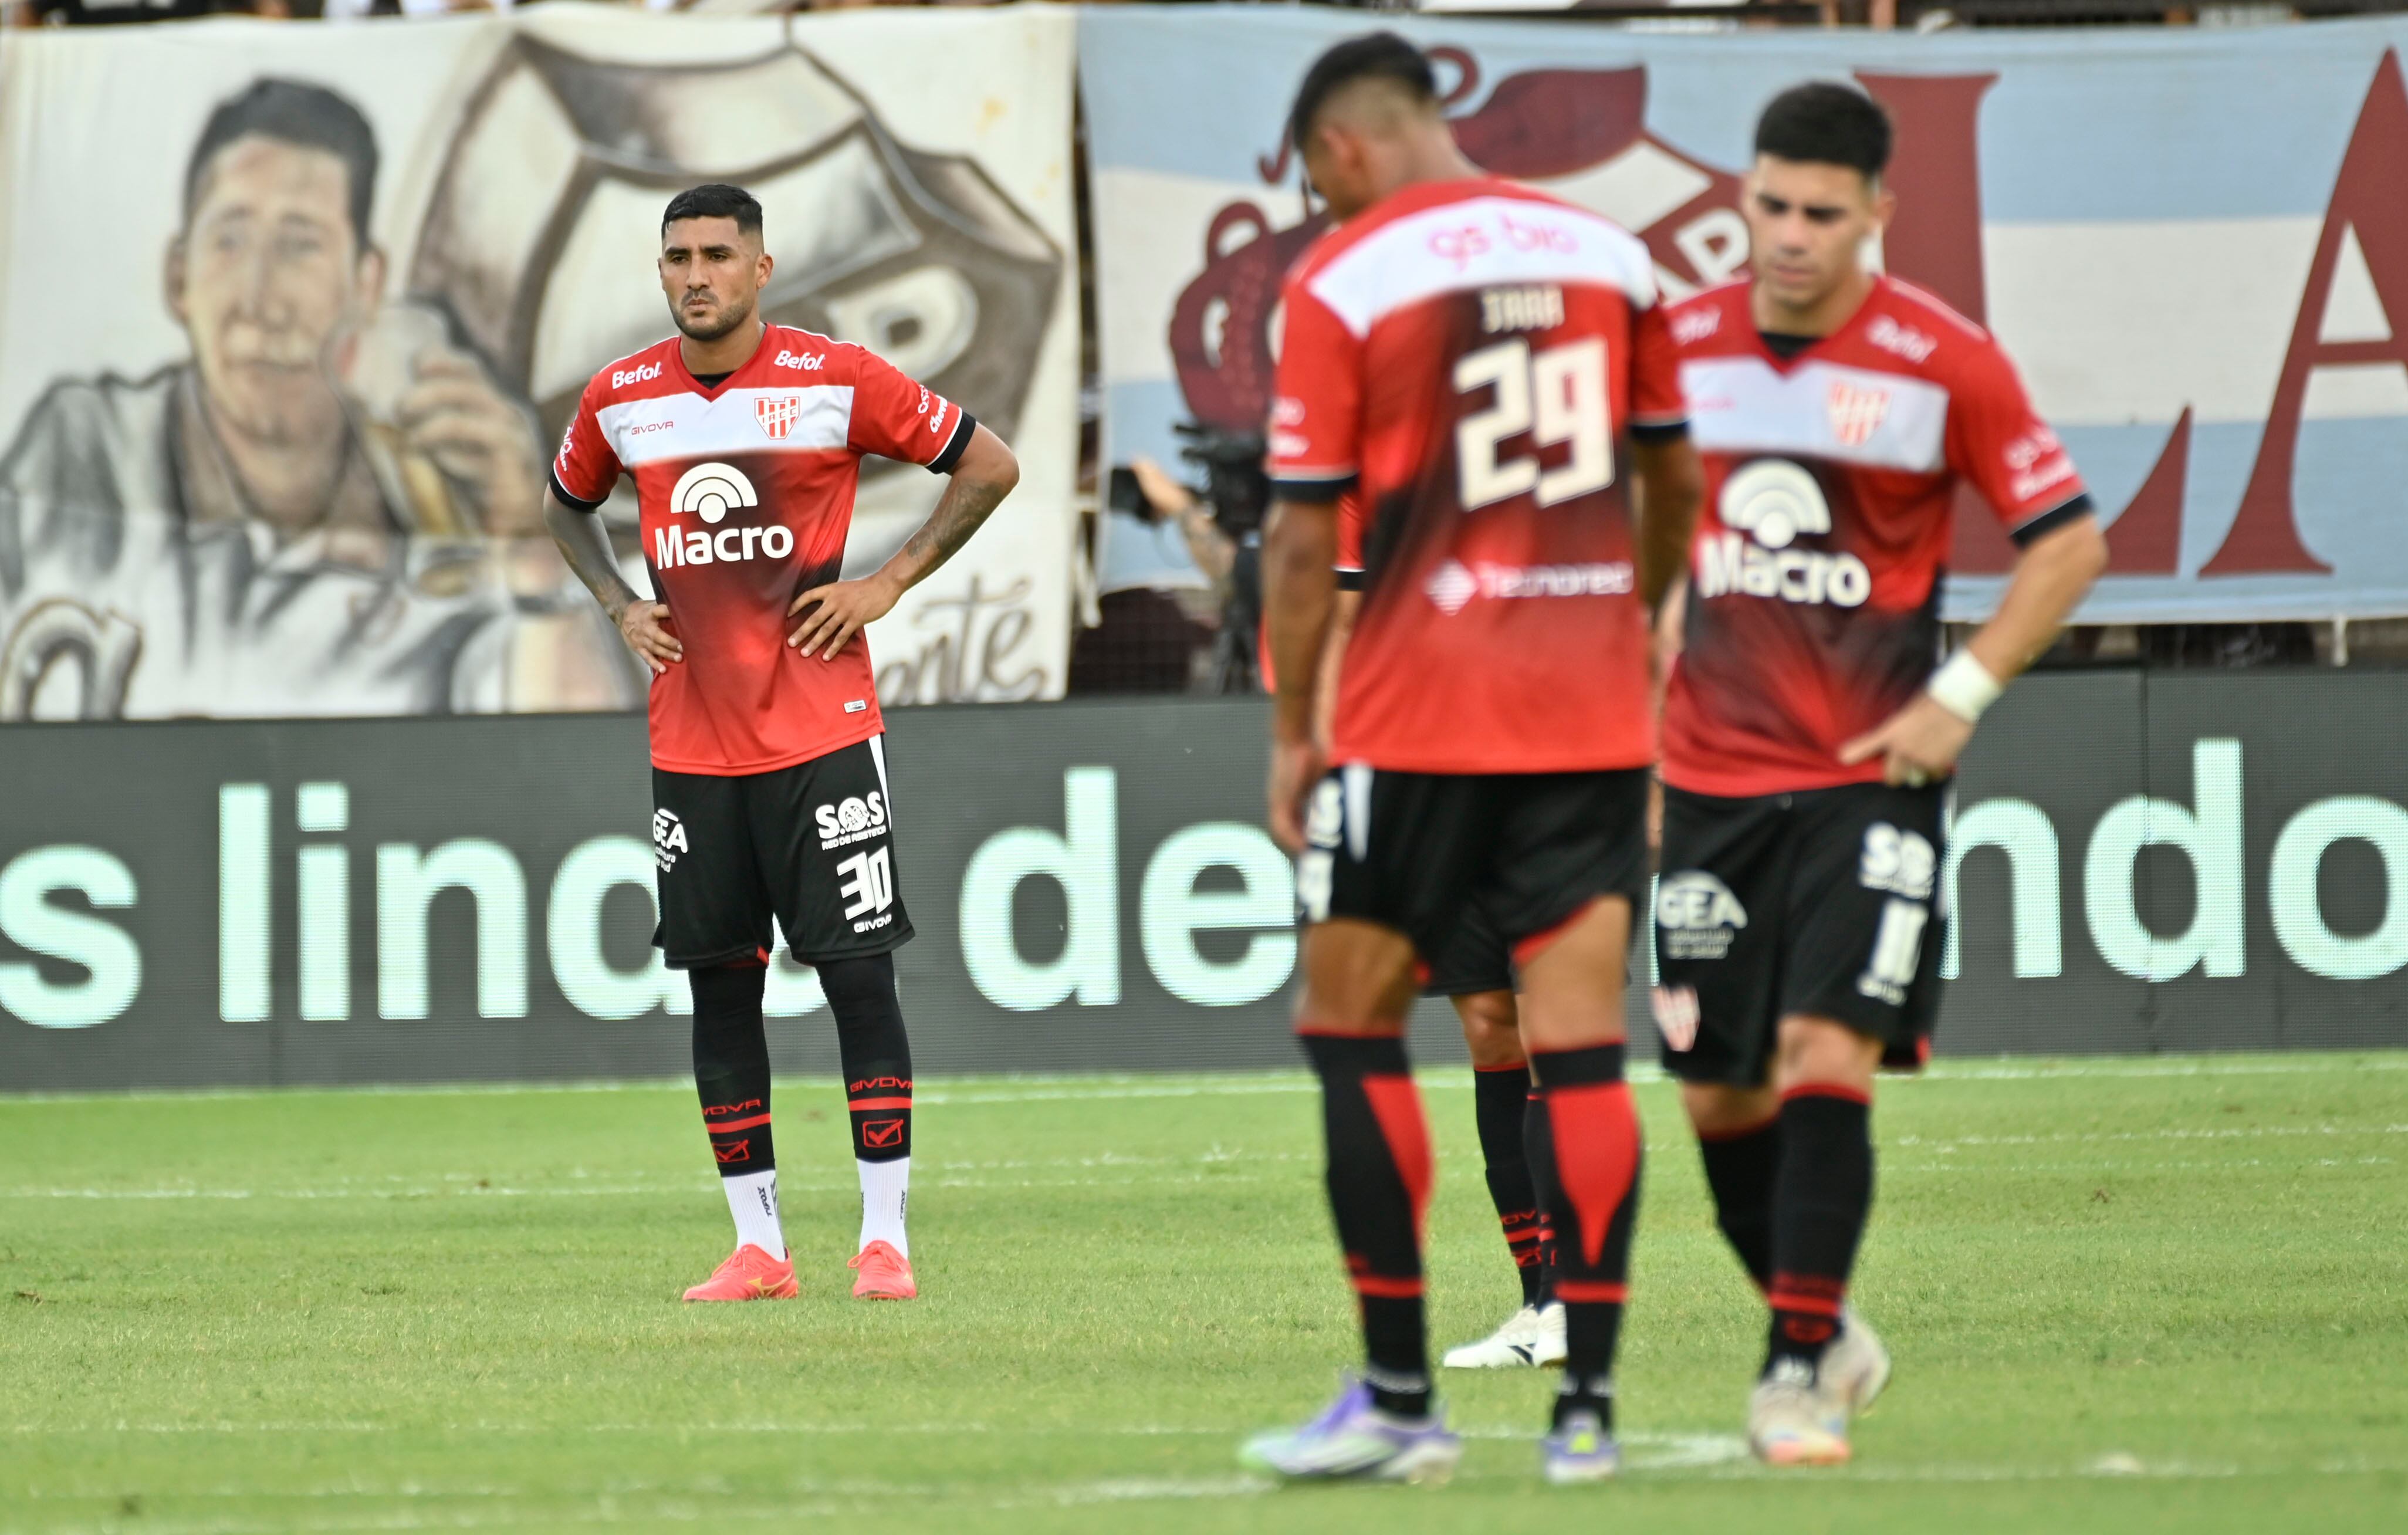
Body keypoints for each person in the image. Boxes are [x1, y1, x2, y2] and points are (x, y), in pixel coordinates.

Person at [1243, 34, 1701, 1485]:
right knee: (1578, 1049)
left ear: (1341, 148)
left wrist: (1293, 723)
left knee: (1349, 1019)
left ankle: (1393, 1392)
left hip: (1418, 709)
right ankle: (1589, 1414)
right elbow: (1674, 471)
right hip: (1585, 712)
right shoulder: (1610, 256)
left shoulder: (1346, 276)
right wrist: (1630, 626)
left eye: (1314, 180)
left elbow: (1308, 530)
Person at [1652, 83, 2109, 1466]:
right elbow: (1636, 524)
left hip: (1867, 776)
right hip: (1705, 777)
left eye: (1820, 214)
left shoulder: (1943, 359)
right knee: (1714, 1092)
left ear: (1875, 216)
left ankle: (1791, 1371)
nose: (1787, 237)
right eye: (1769, 205)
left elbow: (2069, 541)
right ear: (1745, 195)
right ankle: (1827, 1320)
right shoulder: (1671, 345)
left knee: (1821, 1049)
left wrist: (1959, 694)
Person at [542, 183, 1020, 1304]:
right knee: (720, 988)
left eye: (716, 253)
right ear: (659, 272)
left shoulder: (835, 378)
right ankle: (758, 1247)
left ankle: (883, 1240)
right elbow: (566, 503)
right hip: (692, 745)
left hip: (820, 733)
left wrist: (888, 581)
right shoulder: (621, 399)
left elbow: (987, 463)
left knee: (858, 976)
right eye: (676, 257)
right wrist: (618, 605)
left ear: (761, 268)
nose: (694, 273)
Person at [0, 77, 620, 719]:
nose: (259, 300)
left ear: (365, 281)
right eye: (229, 241)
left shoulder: (444, 485)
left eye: (300, 245)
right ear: (178, 278)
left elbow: (575, 776)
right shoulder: (82, 454)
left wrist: (532, 546)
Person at [1325, 505, 1563, 1373]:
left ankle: (1574, 1295)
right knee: (1490, 1029)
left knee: (1552, 1033)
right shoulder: (1367, 474)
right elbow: (1351, 620)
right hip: (1437, 775)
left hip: (1555, 769)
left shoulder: (1554, 436)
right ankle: (1539, 1297)